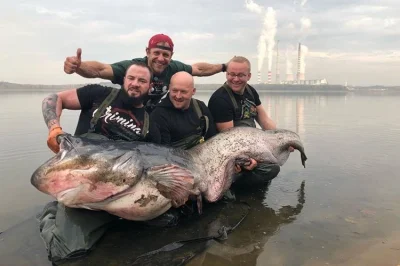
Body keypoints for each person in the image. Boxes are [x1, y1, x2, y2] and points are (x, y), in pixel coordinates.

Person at [38, 62, 158, 264]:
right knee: (66, 252)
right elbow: (54, 98)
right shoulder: (99, 94)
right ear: (124, 80)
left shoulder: (150, 125)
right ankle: (50, 214)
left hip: (121, 191)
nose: (135, 84)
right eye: (131, 78)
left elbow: (152, 168)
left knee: (163, 222)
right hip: (84, 186)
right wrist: (54, 128)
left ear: (150, 87)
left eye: (142, 80)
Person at [63, 33, 227, 112]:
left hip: (153, 117)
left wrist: (224, 67)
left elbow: (199, 69)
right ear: (147, 52)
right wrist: (79, 66)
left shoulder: (173, 68)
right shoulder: (135, 67)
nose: (161, 58)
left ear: (171, 56)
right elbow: (101, 69)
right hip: (127, 112)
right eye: (156, 53)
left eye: (166, 55)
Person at [208, 56, 290, 183]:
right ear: (226, 74)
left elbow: (265, 121)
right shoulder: (220, 99)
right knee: (271, 169)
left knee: (274, 159)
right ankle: (235, 187)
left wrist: (281, 139)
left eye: (241, 75)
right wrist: (248, 160)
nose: (235, 79)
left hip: (250, 143)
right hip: (230, 153)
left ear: (249, 76)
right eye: (232, 74)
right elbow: (229, 141)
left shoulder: (250, 91)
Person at [149, 71, 217, 150]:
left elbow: (213, 140)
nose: (178, 96)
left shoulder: (200, 107)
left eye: (183, 91)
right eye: (174, 90)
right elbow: (162, 154)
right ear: (169, 88)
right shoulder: (158, 115)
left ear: (193, 91)